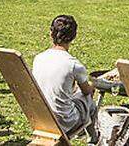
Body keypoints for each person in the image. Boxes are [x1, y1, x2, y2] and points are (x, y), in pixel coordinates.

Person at [32, 15, 98, 143]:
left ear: (51, 33)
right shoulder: (73, 64)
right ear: (73, 36)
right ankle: (93, 139)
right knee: (89, 99)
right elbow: (86, 92)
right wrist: (92, 85)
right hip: (65, 121)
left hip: (40, 118)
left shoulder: (38, 58)